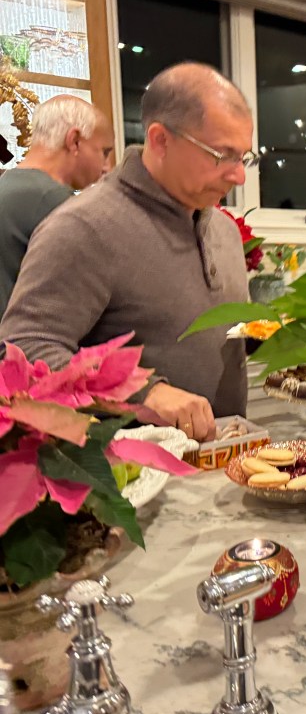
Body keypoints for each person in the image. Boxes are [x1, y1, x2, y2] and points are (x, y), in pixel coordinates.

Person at [0, 63, 255, 441]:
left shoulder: (225, 230)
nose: (239, 176)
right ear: (161, 140)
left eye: (244, 157)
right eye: (222, 155)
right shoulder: (85, 226)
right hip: (133, 472)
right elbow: (25, 349)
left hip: (229, 460)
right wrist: (145, 393)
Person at [0, 95, 114, 314]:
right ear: (74, 141)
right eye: (104, 152)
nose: (106, 167)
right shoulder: (51, 200)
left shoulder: (10, 184)